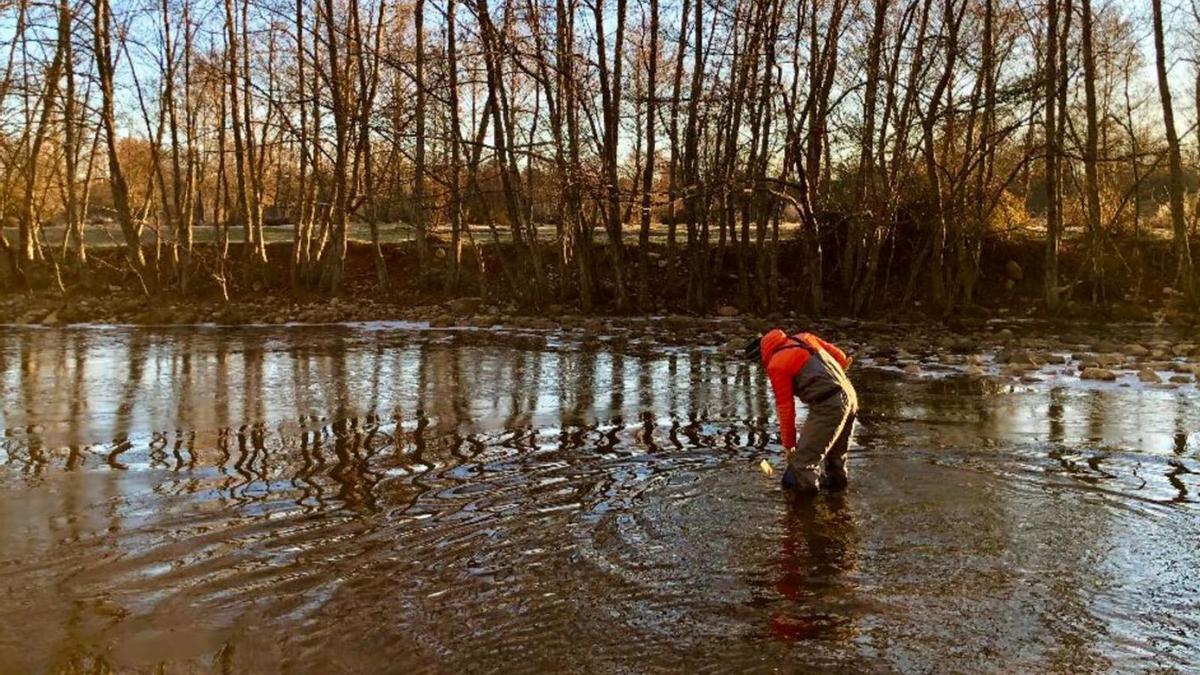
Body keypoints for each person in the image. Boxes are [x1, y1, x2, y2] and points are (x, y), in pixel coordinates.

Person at [743, 329, 858, 494]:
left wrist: (789, 446)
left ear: (761, 356)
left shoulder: (776, 365)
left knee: (802, 465)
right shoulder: (803, 338)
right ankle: (838, 505)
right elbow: (840, 357)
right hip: (850, 394)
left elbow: (785, 408)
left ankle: (805, 513)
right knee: (835, 460)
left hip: (828, 405)